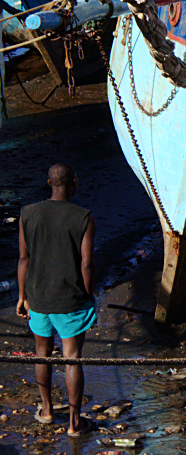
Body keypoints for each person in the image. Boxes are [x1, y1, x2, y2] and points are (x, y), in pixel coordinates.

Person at [16, 164, 96, 437]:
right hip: (70, 298)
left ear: (49, 182)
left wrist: (21, 296)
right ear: (74, 182)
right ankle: (75, 424)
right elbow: (86, 264)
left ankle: (47, 410)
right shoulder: (83, 217)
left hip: (38, 296)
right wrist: (88, 295)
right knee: (71, 357)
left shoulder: (28, 213)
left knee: (42, 353)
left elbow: (24, 258)